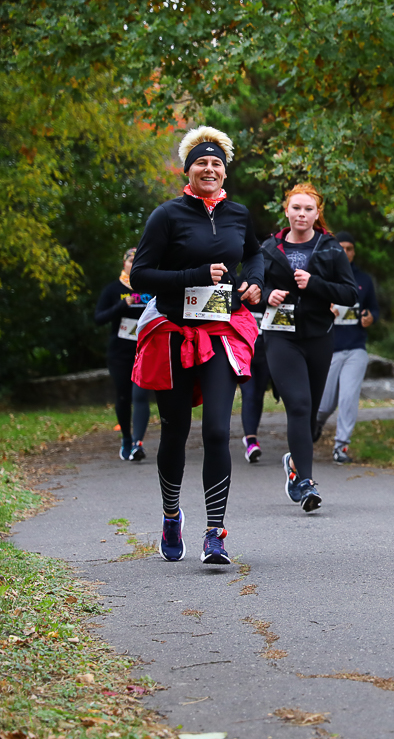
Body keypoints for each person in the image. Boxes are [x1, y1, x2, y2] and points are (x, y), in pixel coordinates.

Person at [130, 126, 263, 565]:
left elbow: (256, 253)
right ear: (188, 170)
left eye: (217, 164)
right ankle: (171, 515)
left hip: (220, 333)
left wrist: (253, 281)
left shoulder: (238, 214)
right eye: (202, 163)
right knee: (175, 431)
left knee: (216, 432)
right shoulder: (167, 215)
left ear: (224, 173)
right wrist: (195, 275)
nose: (210, 169)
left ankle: (215, 533)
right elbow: (142, 276)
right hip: (173, 332)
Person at [260, 184, 357, 512]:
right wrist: (265, 295)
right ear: (286, 210)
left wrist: (314, 284)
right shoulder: (269, 248)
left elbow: (349, 294)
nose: (302, 214)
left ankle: (294, 464)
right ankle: (305, 483)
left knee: (310, 408)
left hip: (318, 337)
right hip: (280, 336)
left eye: (308, 209)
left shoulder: (330, 249)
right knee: (299, 406)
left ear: (318, 214)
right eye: (296, 208)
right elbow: (250, 286)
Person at [316, 231, 379, 465]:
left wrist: (370, 318)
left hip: (355, 348)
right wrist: (325, 313)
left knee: (348, 397)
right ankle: (317, 423)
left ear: (354, 252)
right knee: (325, 403)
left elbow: (374, 310)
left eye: (349, 248)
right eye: (340, 247)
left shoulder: (364, 280)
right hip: (330, 348)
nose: (345, 252)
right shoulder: (323, 276)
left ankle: (341, 446)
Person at [94, 248, 153, 461]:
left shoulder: (151, 288)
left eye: (139, 260)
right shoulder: (113, 289)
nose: (134, 262)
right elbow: (99, 318)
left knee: (141, 395)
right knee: (123, 396)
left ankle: (138, 443)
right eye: (131, 259)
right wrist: (123, 304)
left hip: (146, 351)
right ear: (124, 263)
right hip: (120, 352)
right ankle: (127, 438)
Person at [238, 297, 270, 463]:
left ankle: (252, 437)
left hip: (266, 351)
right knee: (249, 393)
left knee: (258, 395)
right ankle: (251, 441)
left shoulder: (273, 284)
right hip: (245, 351)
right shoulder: (241, 284)